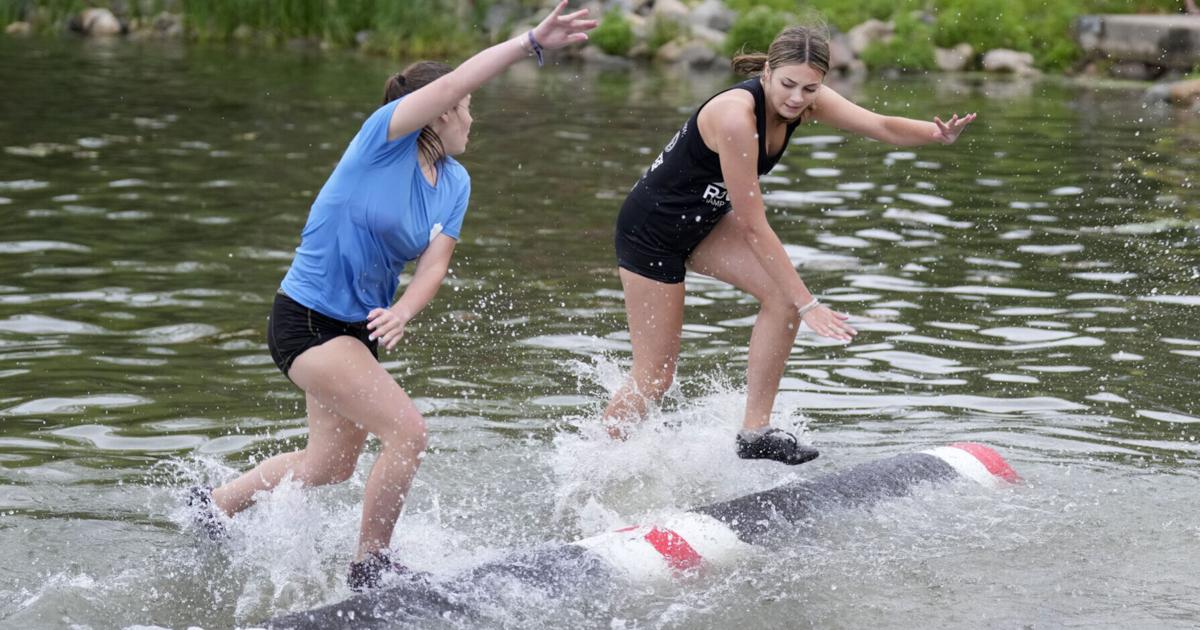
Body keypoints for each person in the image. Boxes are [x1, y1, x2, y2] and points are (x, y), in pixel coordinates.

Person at [186, 1, 596, 591]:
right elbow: (460, 78)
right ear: (442, 112)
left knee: (330, 465)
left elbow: (436, 264)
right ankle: (369, 565)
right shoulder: (382, 139)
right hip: (306, 319)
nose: (472, 120)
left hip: (360, 330)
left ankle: (216, 505)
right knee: (408, 432)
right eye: (468, 110)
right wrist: (529, 41)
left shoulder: (455, 181)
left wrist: (404, 309)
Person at [603, 25, 975, 463]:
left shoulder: (807, 99)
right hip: (651, 232)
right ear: (766, 72)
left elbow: (879, 125)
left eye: (809, 88)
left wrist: (935, 135)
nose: (797, 98)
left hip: (701, 222)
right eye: (788, 85)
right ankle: (597, 462)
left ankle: (754, 433)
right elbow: (754, 225)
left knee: (780, 298)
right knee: (655, 376)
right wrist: (810, 304)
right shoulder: (735, 116)